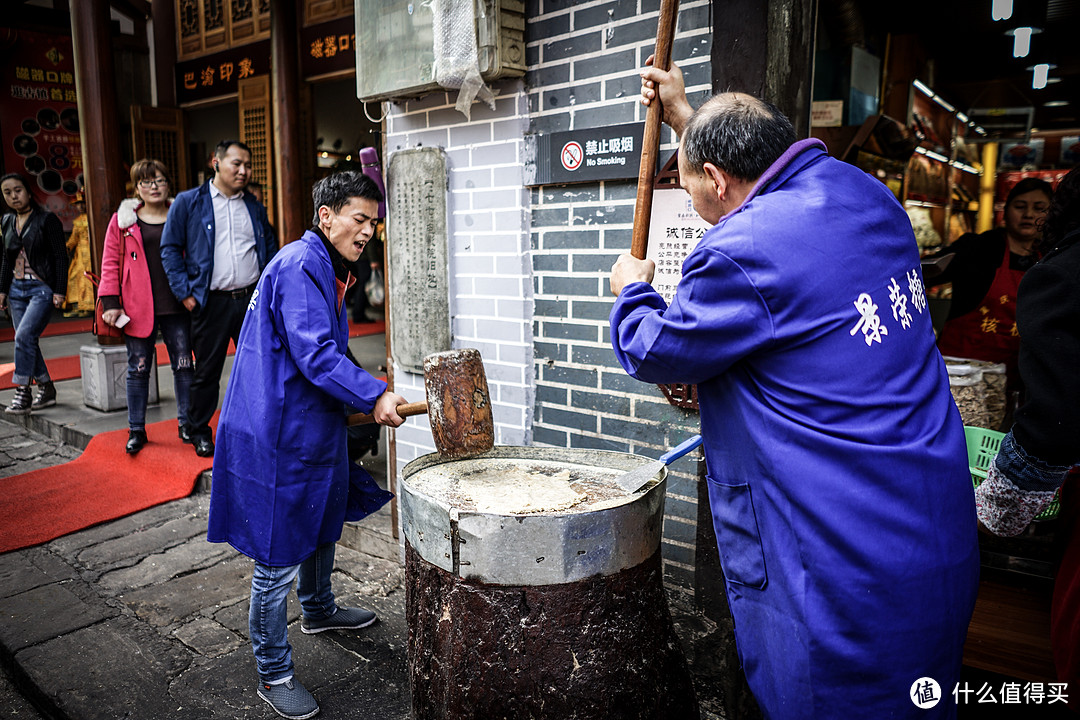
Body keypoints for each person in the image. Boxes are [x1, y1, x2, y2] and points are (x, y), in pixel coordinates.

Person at [613, 62, 979, 718]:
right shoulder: (865, 194)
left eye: (688, 182)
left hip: (837, 556)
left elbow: (657, 348)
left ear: (717, 181)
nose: (690, 196)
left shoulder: (740, 251)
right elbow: (752, 182)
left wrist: (632, 290)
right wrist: (686, 119)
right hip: (927, 523)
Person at [207, 171, 406, 720]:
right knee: (278, 553)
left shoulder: (326, 265)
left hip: (308, 421)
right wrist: (375, 395)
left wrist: (367, 390)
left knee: (323, 517)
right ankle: (273, 673)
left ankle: (319, 609)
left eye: (374, 223)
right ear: (327, 215)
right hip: (276, 428)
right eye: (359, 219)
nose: (368, 231)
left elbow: (326, 354)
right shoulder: (300, 265)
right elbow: (317, 356)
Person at [974, 165, 1080, 708]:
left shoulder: (1065, 271)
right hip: (984, 376)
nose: (1033, 215)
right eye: (1023, 205)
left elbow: (1058, 415)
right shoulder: (983, 251)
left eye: (1044, 206)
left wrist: (1001, 506)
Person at [160, 140, 276, 458]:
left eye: (248, 165)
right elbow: (169, 248)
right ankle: (199, 430)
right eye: (236, 163)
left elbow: (268, 246)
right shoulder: (189, 202)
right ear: (216, 162)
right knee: (207, 371)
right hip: (210, 301)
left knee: (258, 367)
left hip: (251, 301)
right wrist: (184, 293)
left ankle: (257, 429)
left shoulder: (253, 204)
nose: (243, 170)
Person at [98, 160, 194, 455]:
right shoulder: (124, 220)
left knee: (184, 364)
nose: (154, 187)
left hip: (177, 302)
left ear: (169, 185)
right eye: (146, 182)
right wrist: (111, 301)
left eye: (160, 180)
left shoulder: (181, 216)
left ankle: (187, 423)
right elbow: (111, 261)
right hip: (137, 304)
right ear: (136, 188)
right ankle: (136, 428)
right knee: (138, 367)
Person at [928, 177, 1053, 391]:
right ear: (1005, 211)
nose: (1029, 214)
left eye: (1039, 208)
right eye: (1020, 207)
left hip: (1015, 378)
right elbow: (927, 272)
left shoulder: (1052, 258)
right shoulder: (978, 247)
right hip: (958, 374)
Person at [0, 173, 69, 414]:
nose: (13, 196)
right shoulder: (7, 221)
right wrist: (2, 289)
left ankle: (22, 391)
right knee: (26, 339)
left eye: (17, 190)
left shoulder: (46, 220)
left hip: (41, 288)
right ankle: (47, 387)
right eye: (7, 192)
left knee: (23, 336)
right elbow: (6, 259)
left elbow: (61, 256)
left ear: (29, 191)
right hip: (16, 290)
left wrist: (60, 290)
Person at [63, 191, 94, 317]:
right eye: (78, 204)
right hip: (80, 253)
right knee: (74, 276)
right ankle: (77, 305)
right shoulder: (77, 221)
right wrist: (66, 247)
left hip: (91, 252)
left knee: (88, 278)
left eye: (83, 203)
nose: (80, 207)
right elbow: (73, 239)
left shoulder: (93, 217)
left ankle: (89, 306)